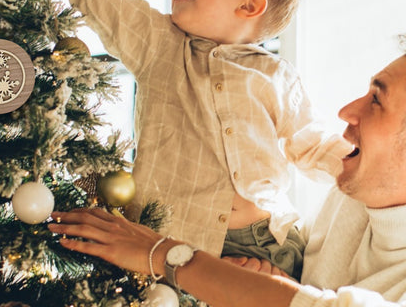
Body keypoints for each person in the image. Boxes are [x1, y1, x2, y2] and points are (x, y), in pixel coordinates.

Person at [0, 0, 352, 280]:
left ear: (249, 6)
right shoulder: (160, 45)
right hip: (171, 239)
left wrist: (370, 168)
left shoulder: (275, 75)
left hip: (264, 242)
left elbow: (313, 146)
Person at [48, 52, 406, 306]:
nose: (347, 112)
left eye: (376, 100)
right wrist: (276, 281)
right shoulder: (353, 195)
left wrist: (161, 253)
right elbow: (307, 290)